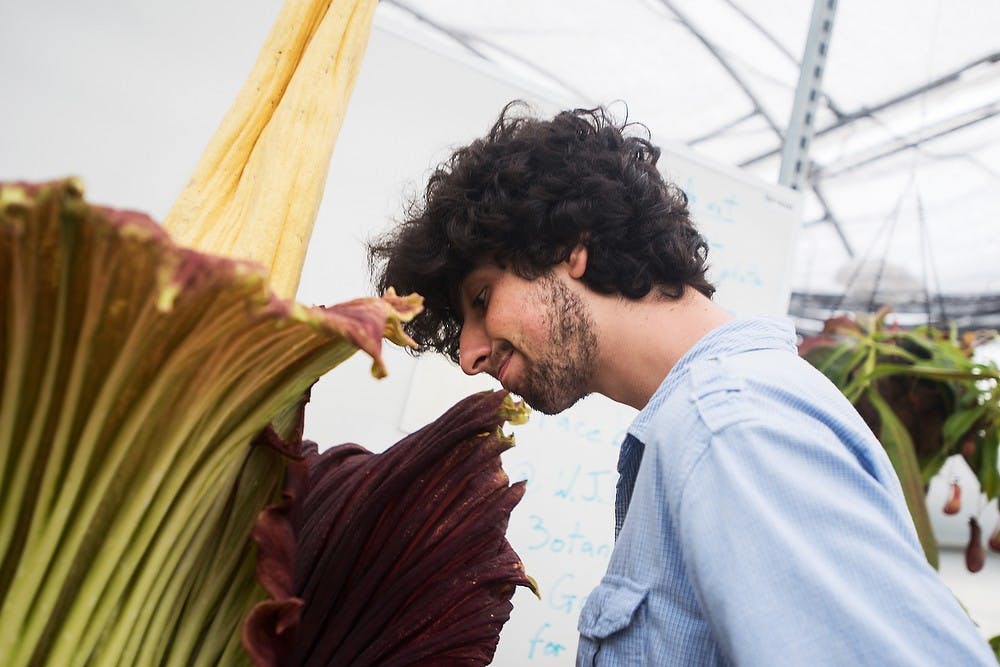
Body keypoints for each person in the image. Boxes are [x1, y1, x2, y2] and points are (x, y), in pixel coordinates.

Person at [367, 101, 995, 665]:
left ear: (568, 246)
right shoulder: (715, 419)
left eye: (483, 298)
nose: (471, 355)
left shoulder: (726, 427)